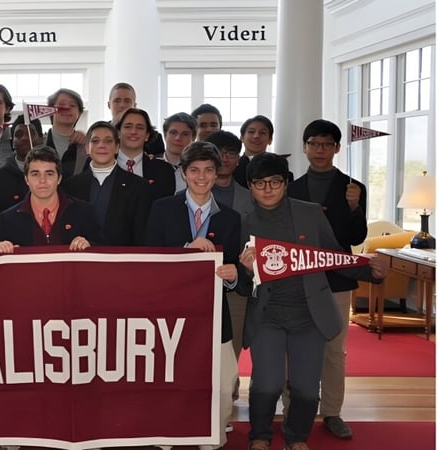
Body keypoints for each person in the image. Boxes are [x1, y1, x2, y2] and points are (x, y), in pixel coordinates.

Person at [237, 153, 387, 450]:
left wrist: (372, 272)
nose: (267, 189)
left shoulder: (310, 214)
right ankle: (260, 435)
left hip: (310, 314)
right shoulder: (243, 221)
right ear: (250, 186)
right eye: (259, 183)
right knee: (266, 385)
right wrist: (244, 270)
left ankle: (296, 437)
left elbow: (333, 257)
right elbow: (240, 284)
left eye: (275, 182)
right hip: (268, 315)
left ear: (286, 184)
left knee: (306, 390)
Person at [144, 141, 241, 450]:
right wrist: (186, 252)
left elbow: (238, 265)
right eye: (195, 170)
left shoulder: (231, 217)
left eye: (209, 170)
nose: (202, 177)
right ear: (184, 173)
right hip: (170, 312)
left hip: (215, 313)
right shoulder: (161, 208)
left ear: (217, 173)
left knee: (225, 384)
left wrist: (234, 274)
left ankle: (211, 436)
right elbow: (148, 260)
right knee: (171, 379)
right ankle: (167, 435)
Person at [286, 119, 368, 440]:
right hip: (299, 278)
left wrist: (352, 207)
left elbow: (356, 236)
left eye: (326, 145)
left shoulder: (353, 186)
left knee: (334, 349)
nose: (320, 150)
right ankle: (295, 406)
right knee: (297, 348)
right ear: (305, 147)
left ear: (337, 148)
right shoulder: (291, 188)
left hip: (336, 277)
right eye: (314, 144)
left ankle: (332, 411)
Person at [205, 130, 254, 379]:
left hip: (235, 285)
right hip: (197, 284)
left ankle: (228, 401)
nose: (224, 158)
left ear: (238, 158)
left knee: (230, 349)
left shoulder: (251, 197)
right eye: (219, 152)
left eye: (231, 153)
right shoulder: (194, 193)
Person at [0, 145, 101, 252]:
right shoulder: (7, 219)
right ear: (26, 179)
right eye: (35, 174)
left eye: (49, 174)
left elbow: (104, 251)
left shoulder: (84, 212)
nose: (42, 180)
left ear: (59, 178)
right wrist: (0, 251)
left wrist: (89, 245)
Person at [62, 121, 150, 246]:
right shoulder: (69, 186)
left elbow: (141, 235)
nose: (101, 145)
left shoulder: (139, 186)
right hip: (81, 258)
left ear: (117, 147)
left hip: (122, 260)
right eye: (95, 141)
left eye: (108, 141)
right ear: (87, 147)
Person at [0, 115, 43, 241]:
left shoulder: (54, 175)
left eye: (31, 133)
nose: (25, 138)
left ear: (41, 139)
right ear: (12, 142)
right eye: (19, 134)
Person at [114, 108, 176, 202]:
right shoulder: (99, 164)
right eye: (128, 126)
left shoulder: (164, 170)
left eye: (140, 127)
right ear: (118, 133)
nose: (133, 132)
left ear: (147, 135)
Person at [106, 82, 164, 155]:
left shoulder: (154, 139)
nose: (122, 105)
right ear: (109, 105)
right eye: (117, 101)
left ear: (135, 105)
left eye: (127, 101)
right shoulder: (99, 134)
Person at [45, 88, 88, 177]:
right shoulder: (37, 143)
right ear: (50, 111)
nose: (67, 108)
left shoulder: (86, 146)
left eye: (72, 105)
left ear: (79, 113)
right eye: (62, 105)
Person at [160, 112, 198, 193]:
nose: (178, 138)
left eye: (185, 134)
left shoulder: (199, 169)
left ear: (193, 138)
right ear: (165, 135)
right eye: (173, 132)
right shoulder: (151, 164)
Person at [234, 115, 275, 188]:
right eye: (251, 132)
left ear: (270, 139)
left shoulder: (279, 168)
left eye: (262, 133)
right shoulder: (232, 167)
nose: (256, 136)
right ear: (241, 137)